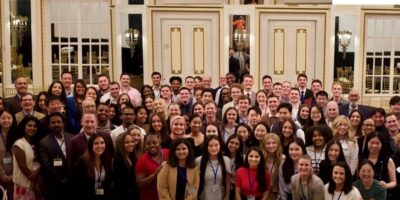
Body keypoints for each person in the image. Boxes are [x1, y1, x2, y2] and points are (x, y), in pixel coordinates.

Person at [38, 112, 73, 200]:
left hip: (72, 182)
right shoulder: (44, 143)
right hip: (54, 185)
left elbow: (76, 158)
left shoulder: (72, 137)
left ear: (63, 124)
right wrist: (62, 179)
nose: (56, 124)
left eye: (58, 122)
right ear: (49, 125)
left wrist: (71, 177)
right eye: (53, 123)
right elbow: (47, 165)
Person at [67, 133, 112, 200]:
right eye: (96, 143)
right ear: (91, 146)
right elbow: (73, 186)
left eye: (102, 143)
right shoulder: (81, 163)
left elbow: (107, 182)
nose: (100, 146)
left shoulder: (108, 160)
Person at [12, 116, 43, 199]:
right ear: (24, 127)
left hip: (37, 182)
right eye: (29, 125)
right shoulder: (19, 144)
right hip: (24, 184)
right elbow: (23, 167)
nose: (32, 128)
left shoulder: (37, 143)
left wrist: (39, 171)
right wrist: (36, 182)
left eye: (35, 126)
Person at [360, 131, 396, 199]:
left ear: (382, 144)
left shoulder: (389, 160)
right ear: (367, 143)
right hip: (363, 195)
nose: (374, 146)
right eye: (372, 142)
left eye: (377, 143)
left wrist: (386, 185)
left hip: (382, 195)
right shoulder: (360, 159)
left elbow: (394, 182)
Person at [195, 135, 231, 200]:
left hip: (221, 196)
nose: (214, 148)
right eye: (210, 146)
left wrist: (227, 196)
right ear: (206, 147)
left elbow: (227, 182)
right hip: (204, 196)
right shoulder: (198, 160)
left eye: (216, 145)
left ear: (220, 145)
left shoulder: (226, 160)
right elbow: (194, 182)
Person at [136, 134, 169, 200]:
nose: (151, 145)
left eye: (154, 142)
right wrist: (154, 174)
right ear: (145, 145)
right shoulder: (141, 161)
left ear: (160, 141)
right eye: (148, 144)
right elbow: (139, 183)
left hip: (167, 197)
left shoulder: (168, 153)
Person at [112, 132, 140, 200]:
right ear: (120, 145)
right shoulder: (117, 161)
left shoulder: (133, 158)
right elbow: (118, 184)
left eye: (132, 141)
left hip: (134, 194)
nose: (131, 144)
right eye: (127, 142)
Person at [260, 133, 284, 200]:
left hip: (274, 192)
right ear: (264, 145)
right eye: (268, 143)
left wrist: (279, 195)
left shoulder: (282, 158)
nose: (271, 145)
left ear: (278, 144)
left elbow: (282, 181)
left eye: (274, 143)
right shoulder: (259, 157)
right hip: (260, 191)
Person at [0, 109, 17, 199]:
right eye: (3, 118)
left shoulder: (18, 135)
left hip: (16, 175)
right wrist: (2, 174)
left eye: (9, 118)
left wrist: (14, 174)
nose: (6, 120)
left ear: (13, 119)